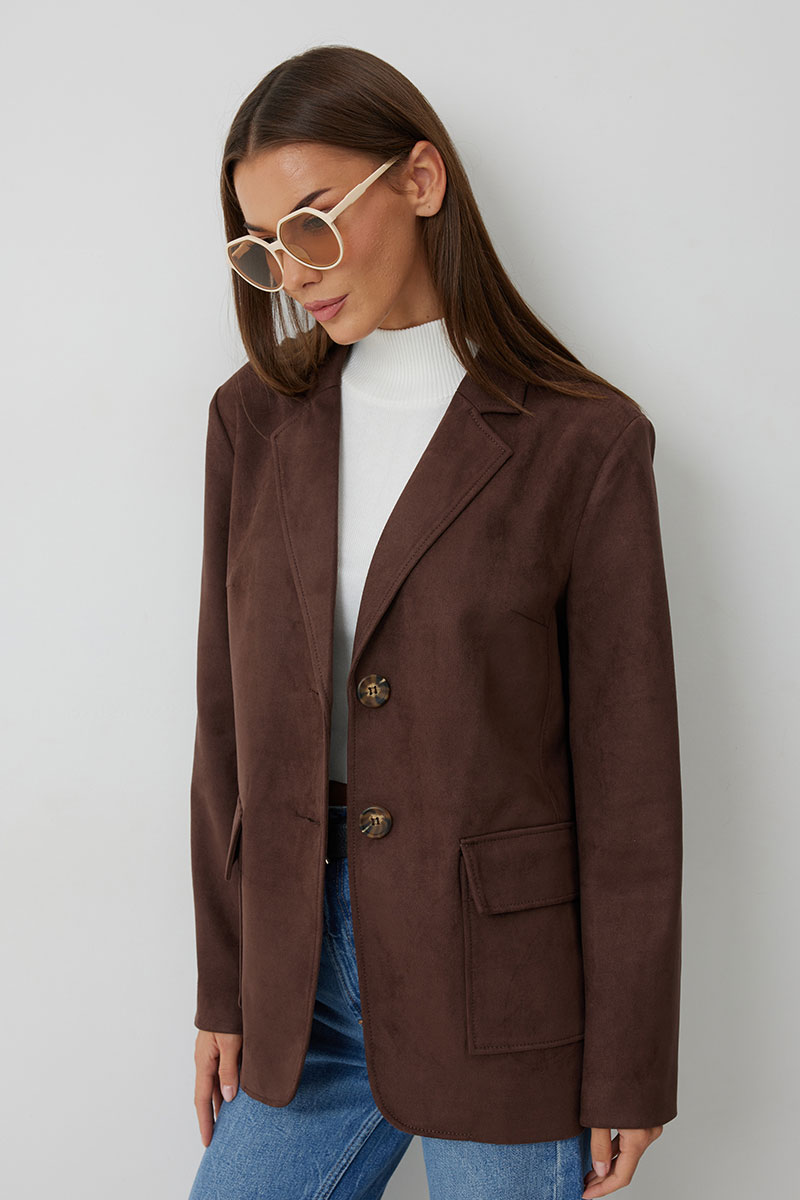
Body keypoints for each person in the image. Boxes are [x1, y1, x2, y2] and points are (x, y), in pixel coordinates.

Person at [187, 44, 683, 1200]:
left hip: (497, 984)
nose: (290, 271)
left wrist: (628, 1061)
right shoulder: (252, 423)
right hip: (297, 982)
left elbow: (629, 785)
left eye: (312, 224)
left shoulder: (581, 442)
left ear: (419, 180)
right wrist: (223, 984)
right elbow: (225, 728)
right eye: (260, 247)